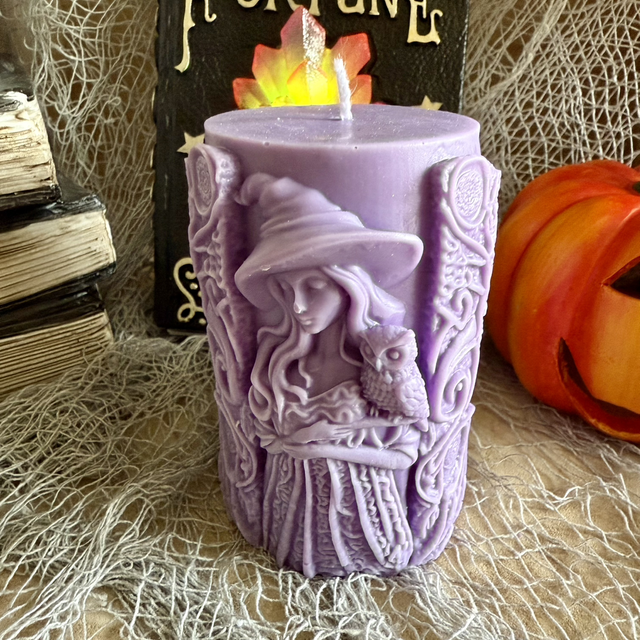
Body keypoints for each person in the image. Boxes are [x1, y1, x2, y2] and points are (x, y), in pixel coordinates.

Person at [235, 173, 426, 577]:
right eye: (286, 290)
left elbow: (405, 451)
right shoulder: (281, 366)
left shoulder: (378, 364)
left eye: (315, 287)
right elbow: (265, 437)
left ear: (349, 286)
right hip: (292, 521)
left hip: (368, 522)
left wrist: (322, 444)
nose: (298, 305)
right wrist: (297, 442)